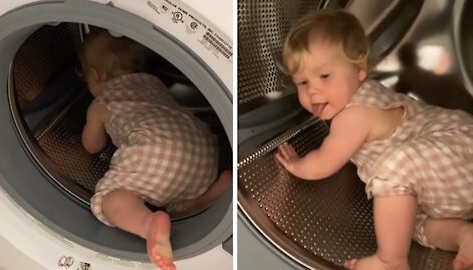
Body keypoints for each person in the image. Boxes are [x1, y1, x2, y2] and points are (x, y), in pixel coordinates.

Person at [275, 10, 473, 270]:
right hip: (452, 175)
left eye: (324, 76)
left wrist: (297, 166)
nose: (312, 90)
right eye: (302, 81)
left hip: (457, 155)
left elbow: (324, 163)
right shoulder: (367, 92)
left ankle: (391, 261)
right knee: (402, 221)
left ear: (360, 69)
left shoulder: (353, 117)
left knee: (392, 169)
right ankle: (462, 235)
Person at [79, 28, 232, 270]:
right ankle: (206, 195)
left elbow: (92, 146)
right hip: (203, 150)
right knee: (171, 189)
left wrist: (95, 125)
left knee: (108, 200)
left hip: (153, 154)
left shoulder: (100, 104)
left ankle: (148, 225)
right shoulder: (154, 83)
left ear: (93, 75)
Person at [394, 42, 473, 115]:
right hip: (446, 99)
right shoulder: (407, 76)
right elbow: (399, 95)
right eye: (414, 53)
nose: (416, 55)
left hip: (447, 98)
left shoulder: (411, 73)